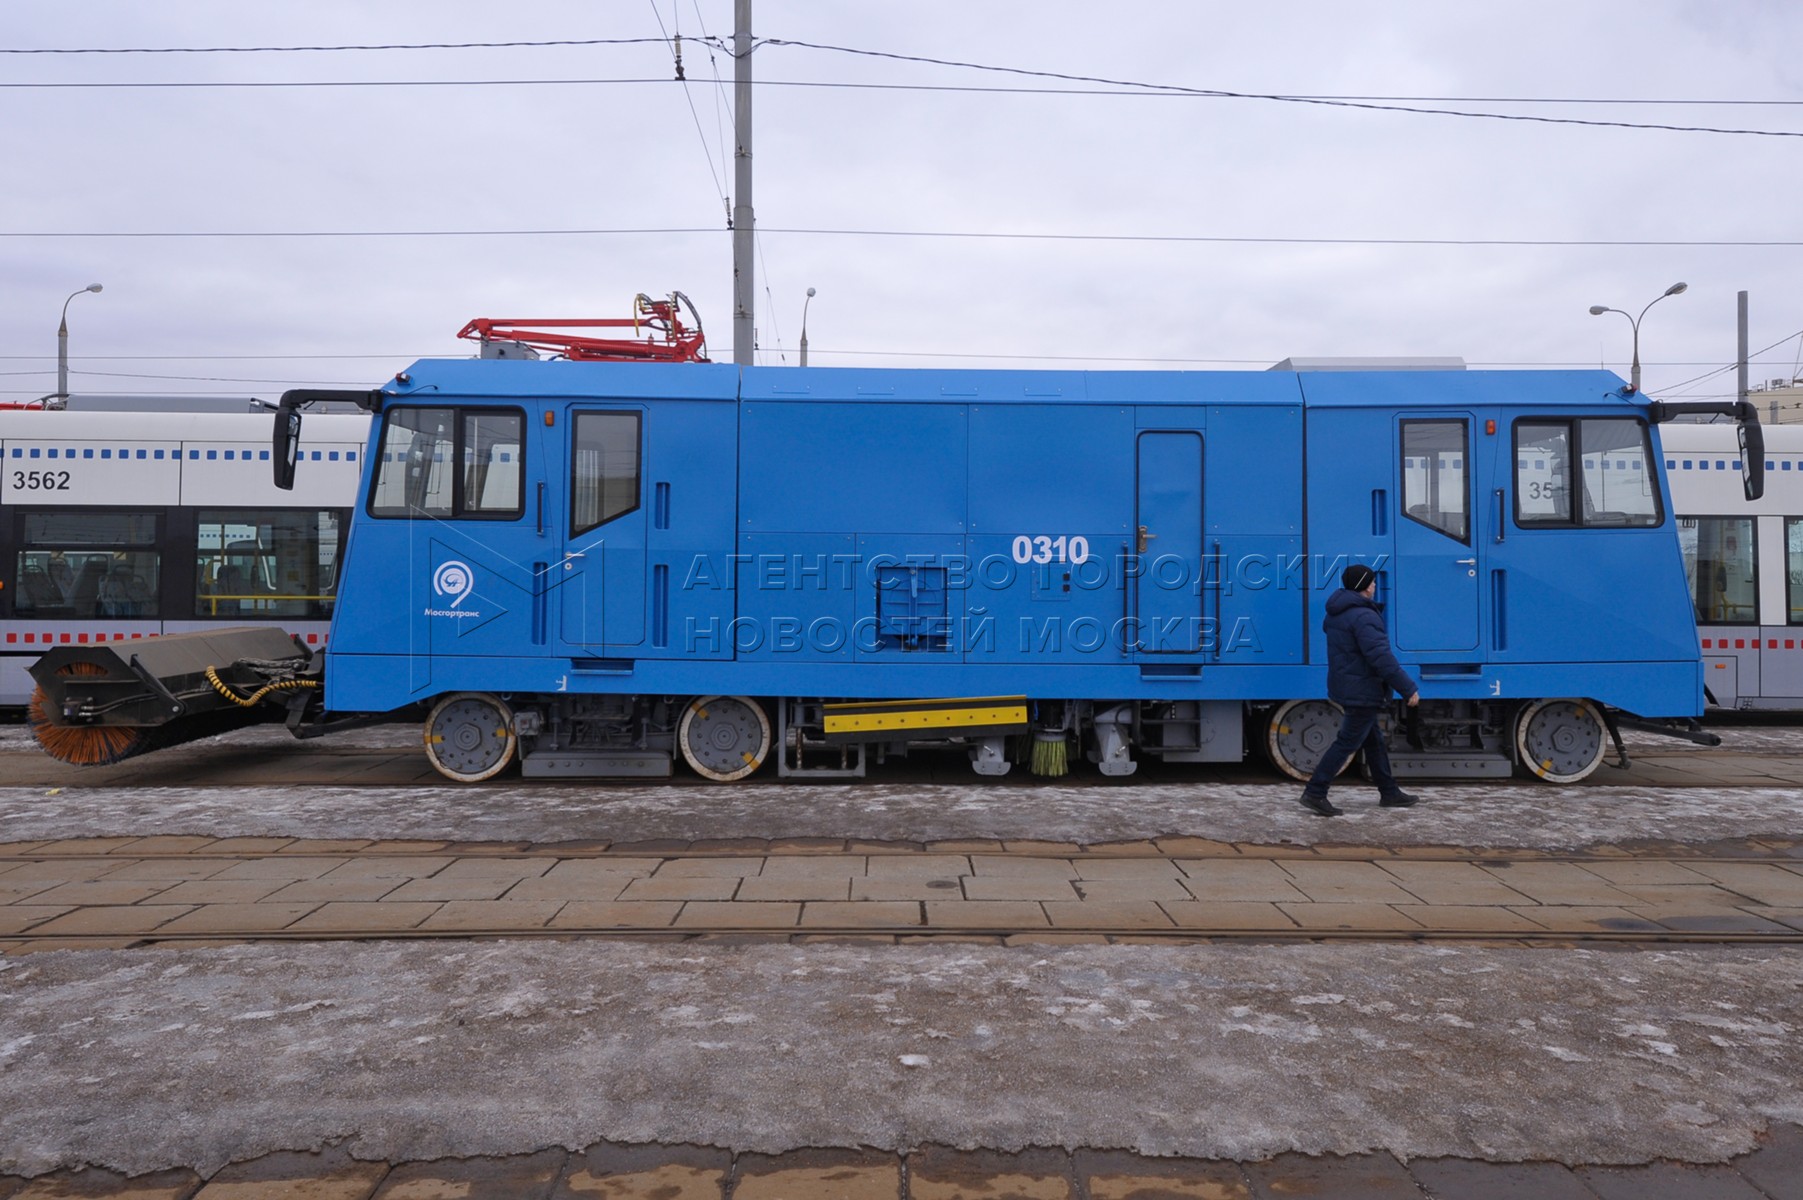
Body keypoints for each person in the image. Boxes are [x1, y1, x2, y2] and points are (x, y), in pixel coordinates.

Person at [1299, 563, 1421, 817]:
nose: (1375, 586)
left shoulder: (1337, 612)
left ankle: (1389, 792)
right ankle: (1315, 791)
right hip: (1362, 688)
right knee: (1347, 742)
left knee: (1373, 741)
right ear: (1365, 586)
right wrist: (1407, 688)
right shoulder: (1363, 616)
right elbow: (1380, 657)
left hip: (1347, 684)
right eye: (1373, 582)